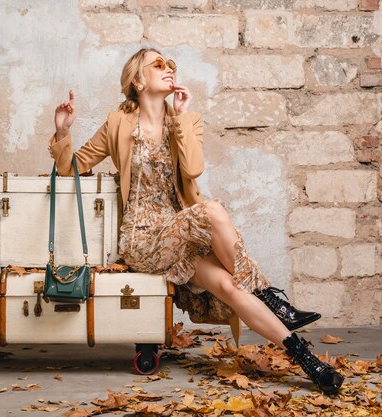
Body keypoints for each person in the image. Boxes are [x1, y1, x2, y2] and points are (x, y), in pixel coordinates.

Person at [48, 47, 344, 395]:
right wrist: (62, 131)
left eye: (170, 64)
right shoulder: (117, 124)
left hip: (180, 231)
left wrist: (181, 117)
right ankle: (269, 295)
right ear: (137, 80)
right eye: (158, 65)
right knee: (213, 210)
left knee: (229, 287)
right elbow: (70, 168)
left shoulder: (187, 122)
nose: (168, 69)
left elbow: (192, 170)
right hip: (143, 239)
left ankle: (311, 364)